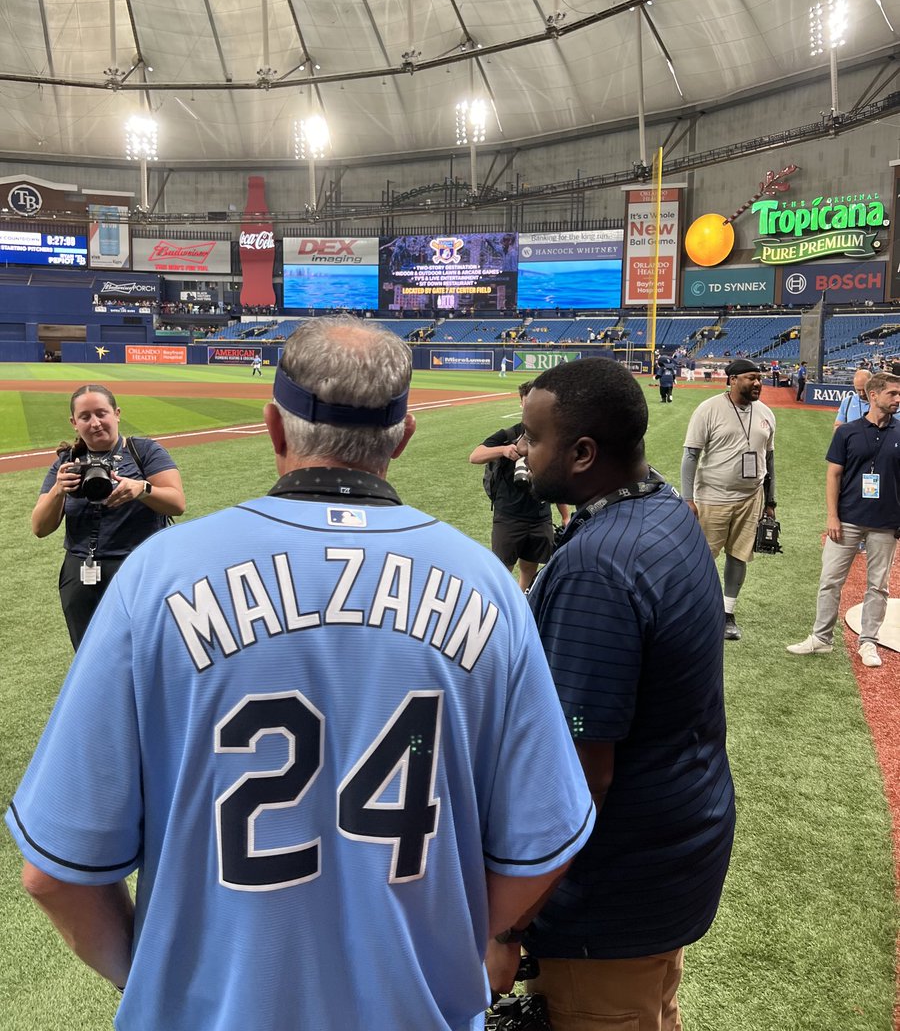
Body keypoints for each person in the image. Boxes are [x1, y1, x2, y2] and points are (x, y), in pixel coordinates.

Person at [8, 318, 595, 1031]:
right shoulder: (490, 587)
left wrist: (156, 977)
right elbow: (544, 846)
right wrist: (458, 950)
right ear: (402, 437)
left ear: (273, 427)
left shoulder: (157, 578)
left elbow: (53, 874)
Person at [489, 357, 734, 1031]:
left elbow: (580, 775)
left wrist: (509, 924)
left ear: (582, 453)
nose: (522, 450)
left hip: (613, 890)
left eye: (533, 438)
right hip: (674, 848)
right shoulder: (663, 507)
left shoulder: (597, 567)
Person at [31, 384, 185, 650]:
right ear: (74, 423)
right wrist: (58, 490)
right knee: (89, 655)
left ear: (117, 414)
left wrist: (142, 489)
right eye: (85, 416)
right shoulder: (67, 463)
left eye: (101, 413)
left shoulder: (143, 451)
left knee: (147, 650)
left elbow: (177, 504)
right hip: (81, 573)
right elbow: (39, 528)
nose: (95, 423)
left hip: (139, 567)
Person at [787, 371, 900, 668]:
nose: (898, 399)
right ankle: (821, 638)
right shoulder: (847, 432)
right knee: (830, 580)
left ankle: (869, 641)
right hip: (847, 519)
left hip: (886, 523)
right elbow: (833, 475)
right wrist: (832, 516)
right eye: (892, 393)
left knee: (878, 586)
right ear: (873, 395)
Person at [681, 358, 777, 641]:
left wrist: (770, 501)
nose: (757, 383)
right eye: (751, 378)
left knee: (739, 555)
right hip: (713, 497)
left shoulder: (766, 413)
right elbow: (690, 456)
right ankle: (698, 608)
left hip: (751, 498)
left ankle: (727, 612)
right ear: (733, 380)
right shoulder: (708, 409)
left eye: (759, 378)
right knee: (702, 557)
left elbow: (769, 459)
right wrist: (688, 498)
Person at [469, 382, 569, 592]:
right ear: (522, 403)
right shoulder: (508, 434)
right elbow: (475, 456)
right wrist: (503, 450)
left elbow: (555, 478)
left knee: (529, 570)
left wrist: (565, 516)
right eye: (527, 401)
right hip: (509, 516)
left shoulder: (550, 437)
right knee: (502, 571)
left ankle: (522, 602)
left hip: (540, 517)